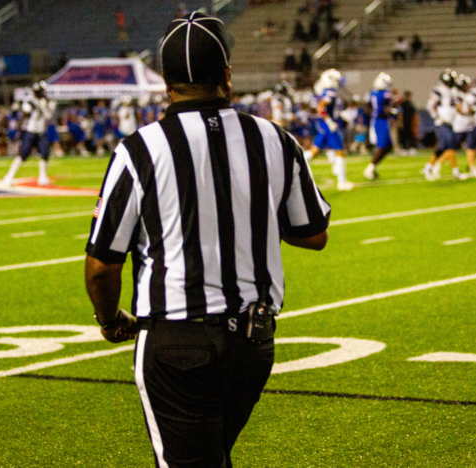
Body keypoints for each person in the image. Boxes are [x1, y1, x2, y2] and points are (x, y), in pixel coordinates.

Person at [85, 12, 331, 468]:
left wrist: (107, 318)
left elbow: (102, 263)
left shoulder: (140, 149)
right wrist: (246, 210)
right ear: (226, 76)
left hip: (177, 340)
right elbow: (313, 233)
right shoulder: (275, 140)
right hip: (253, 343)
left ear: (166, 83)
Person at [304, 68, 354, 191]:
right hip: (328, 125)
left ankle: (293, 164)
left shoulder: (327, 91)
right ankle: (342, 182)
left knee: (314, 151)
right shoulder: (330, 91)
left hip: (325, 124)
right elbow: (321, 107)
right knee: (340, 151)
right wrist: (330, 121)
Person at [3, 81, 56, 185]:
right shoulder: (30, 101)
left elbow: (49, 116)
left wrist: (45, 105)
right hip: (30, 131)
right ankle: (9, 175)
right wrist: (20, 129)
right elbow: (25, 114)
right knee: (23, 154)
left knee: (45, 153)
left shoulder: (44, 102)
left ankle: (42, 176)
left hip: (40, 131)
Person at [422, 70, 467, 181]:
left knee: (441, 147)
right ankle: (455, 171)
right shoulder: (439, 90)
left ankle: (428, 167)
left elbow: (457, 106)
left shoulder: (452, 91)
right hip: (442, 122)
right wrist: (437, 117)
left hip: (450, 122)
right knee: (450, 145)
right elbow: (430, 105)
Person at [364, 73, 395, 180]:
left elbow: (367, 108)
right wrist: (393, 112)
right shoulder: (385, 94)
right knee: (383, 146)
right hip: (381, 121)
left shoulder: (372, 93)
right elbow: (387, 108)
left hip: (375, 120)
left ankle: (372, 168)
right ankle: (370, 169)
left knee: (388, 146)